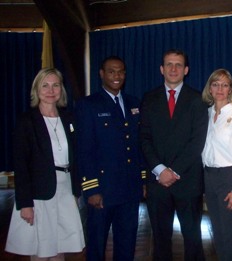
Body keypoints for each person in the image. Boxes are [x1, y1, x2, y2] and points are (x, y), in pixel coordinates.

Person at [5, 68, 85, 260]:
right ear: (36, 89)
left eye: (55, 85)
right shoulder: (27, 121)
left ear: (61, 89)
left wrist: (76, 191)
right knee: (42, 247)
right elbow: (21, 165)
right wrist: (25, 204)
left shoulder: (69, 118)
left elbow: (76, 159)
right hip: (39, 193)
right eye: (45, 85)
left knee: (61, 245)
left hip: (65, 190)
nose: (51, 90)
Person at [140, 49, 208, 261]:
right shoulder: (148, 99)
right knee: (160, 239)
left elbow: (197, 141)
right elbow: (144, 138)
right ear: (161, 69)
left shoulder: (198, 100)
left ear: (186, 70)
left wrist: (174, 171)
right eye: (169, 64)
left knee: (193, 239)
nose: (173, 69)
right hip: (158, 183)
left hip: (188, 181)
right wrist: (160, 170)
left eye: (178, 65)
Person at [75, 56, 145, 261]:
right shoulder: (88, 105)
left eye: (121, 71)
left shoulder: (134, 103)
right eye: (112, 71)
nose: (117, 76)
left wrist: (141, 180)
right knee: (97, 244)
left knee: (127, 243)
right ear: (102, 74)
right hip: (103, 190)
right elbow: (84, 150)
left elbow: (138, 146)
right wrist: (92, 189)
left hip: (129, 188)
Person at [201, 69, 232, 261]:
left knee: (230, 234)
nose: (220, 88)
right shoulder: (206, 114)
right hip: (209, 177)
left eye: (225, 84)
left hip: (229, 178)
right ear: (210, 88)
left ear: (231, 89)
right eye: (215, 84)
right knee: (218, 233)